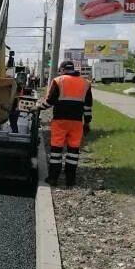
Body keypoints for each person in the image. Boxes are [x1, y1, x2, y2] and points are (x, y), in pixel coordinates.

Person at [38, 60, 93, 188]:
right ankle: (70, 181)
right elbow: (88, 106)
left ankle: (53, 179)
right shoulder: (85, 83)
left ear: (62, 69)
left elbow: (50, 101)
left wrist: (39, 107)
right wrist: (87, 122)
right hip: (77, 122)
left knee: (56, 151)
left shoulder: (59, 81)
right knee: (73, 152)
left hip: (60, 121)